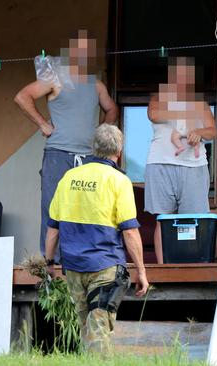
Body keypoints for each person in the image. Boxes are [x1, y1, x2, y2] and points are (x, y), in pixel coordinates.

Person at [14, 30, 118, 262]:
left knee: (89, 209)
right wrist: (42, 123)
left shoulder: (96, 84)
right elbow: (22, 97)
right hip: (58, 155)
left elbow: (112, 109)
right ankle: (51, 264)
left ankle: (85, 259)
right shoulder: (54, 78)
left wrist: (101, 132)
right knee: (54, 208)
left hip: (90, 157)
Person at [44, 124, 149, 353]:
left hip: (73, 267)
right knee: (99, 330)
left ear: (93, 148)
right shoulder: (119, 181)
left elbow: (53, 228)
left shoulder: (69, 177)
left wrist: (49, 264)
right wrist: (141, 271)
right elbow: (129, 231)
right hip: (105, 265)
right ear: (119, 152)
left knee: (86, 329)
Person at [146, 57, 216, 263]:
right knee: (163, 219)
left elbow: (212, 131)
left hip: (194, 166)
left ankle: (190, 265)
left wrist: (198, 131)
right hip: (161, 163)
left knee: (192, 221)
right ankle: (162, 268)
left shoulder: (200, 103)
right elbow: (153, 114)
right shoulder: (160, 96)